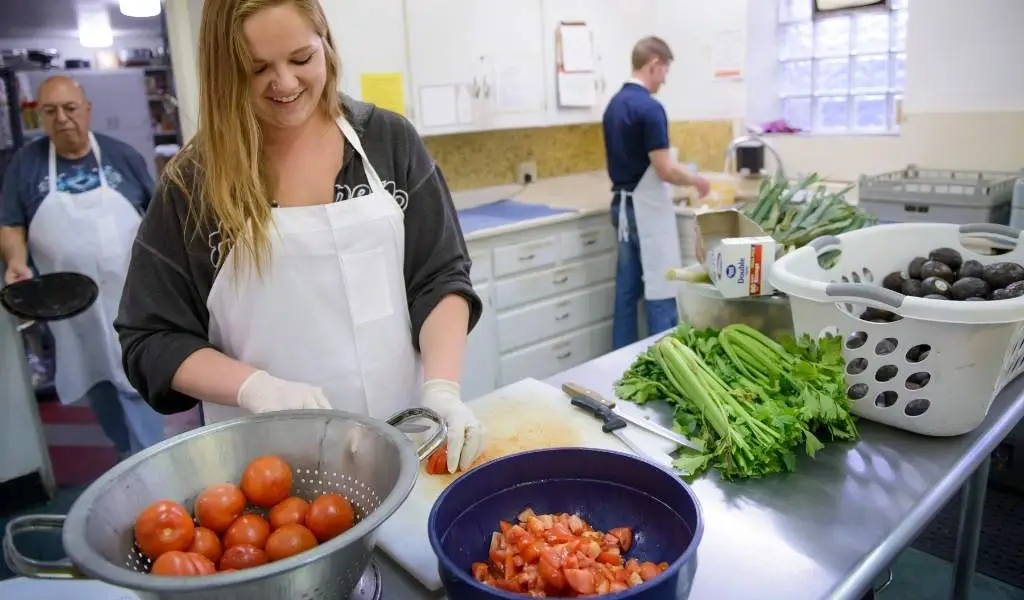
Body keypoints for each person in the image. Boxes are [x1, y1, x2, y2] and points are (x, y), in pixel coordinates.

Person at [114, 0, 486, 474]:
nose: (285, 83)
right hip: (269, 470)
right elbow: (150, 338)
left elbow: (440, 277)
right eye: (256, 69)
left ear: (326, 44)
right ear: (223, 71)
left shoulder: (388, 142)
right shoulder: (194, 184)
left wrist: (443, 391)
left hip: (408, 441)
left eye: (301, 59)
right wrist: (256, 388)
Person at [0, 76, 166, 459]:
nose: (62, 119)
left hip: (129, 301)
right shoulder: (25, 165)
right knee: (98, 386)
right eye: (50, 111)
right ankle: (129, 457)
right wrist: (16, 261)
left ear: (87, 110)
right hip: (70, 310)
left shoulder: (123, 156)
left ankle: (154, 468)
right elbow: (11, 222)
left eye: (70, 108)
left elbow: (156, 217)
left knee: (136, 382)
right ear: (40, 116)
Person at [603, 37, 710, 350]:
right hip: (646, 210)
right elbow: (664, 169)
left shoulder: (614, 105)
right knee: (661, 286)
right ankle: (665, 359)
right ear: (653, 64)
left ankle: (619, 359)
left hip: (622, 208)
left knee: (626, 291)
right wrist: (696, 181)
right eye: (664, 71)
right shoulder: (649, 107)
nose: (664, 79)